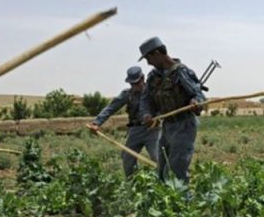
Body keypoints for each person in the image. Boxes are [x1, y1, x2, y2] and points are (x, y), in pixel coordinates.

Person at [138, 37, 205, 183]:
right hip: (167, 127)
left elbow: (198, 94)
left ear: (157, 53)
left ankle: (181, 204)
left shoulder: (181, 72)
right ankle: (165, 204)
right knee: (162, 171)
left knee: (176, 172)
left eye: (148, 58)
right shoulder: (153, 76)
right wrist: (147, 114)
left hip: (184, 126)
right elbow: (145, 99)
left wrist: (196, 102)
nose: (148, 63)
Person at [88, 66, 160, 177]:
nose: (134, 86)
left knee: (157, 158)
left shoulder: (153, 92)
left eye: (136, 83)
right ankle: (133, 185)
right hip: (135, 130)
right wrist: (97, 123)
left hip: (152, 130)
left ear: (143, 78)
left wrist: (156, 118)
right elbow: (111, 108)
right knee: (127, 158)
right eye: (132, 84)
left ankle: (165, 186)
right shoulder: (128, 94)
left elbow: (164, 107)